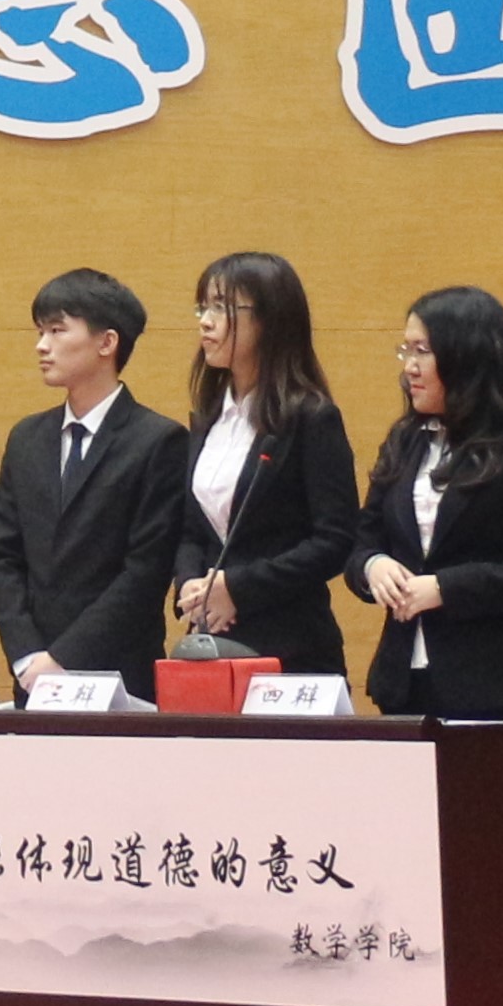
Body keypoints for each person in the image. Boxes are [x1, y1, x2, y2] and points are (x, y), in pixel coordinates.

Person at [359, 284, 503, 727]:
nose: (409, 367)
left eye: (422, 351)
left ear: (467, 356)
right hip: (406, 683)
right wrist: (373, 565)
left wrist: (444, 588)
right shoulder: (405, 440)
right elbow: (364, 536)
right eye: (405, 350)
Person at [0, 267, 192, 697]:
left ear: (106, 342)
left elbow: (145, 571)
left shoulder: (158, 440)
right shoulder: (26, 438)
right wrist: (27, 656)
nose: (42, 345)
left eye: (57, 330)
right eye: (40, 331)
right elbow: (3, 556)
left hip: (118, 675)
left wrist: (63, 659)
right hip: (33, 675)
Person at [164, 249, 362, 687]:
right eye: (203, 307)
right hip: (211, 643)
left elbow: (335, 539)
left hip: (291, 646)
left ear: (269, 320)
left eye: (221, 308)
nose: (205, 322)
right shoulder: (208, 418)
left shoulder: (311, 418)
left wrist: (237, 589)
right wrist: (192, 585)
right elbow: (192, 530)